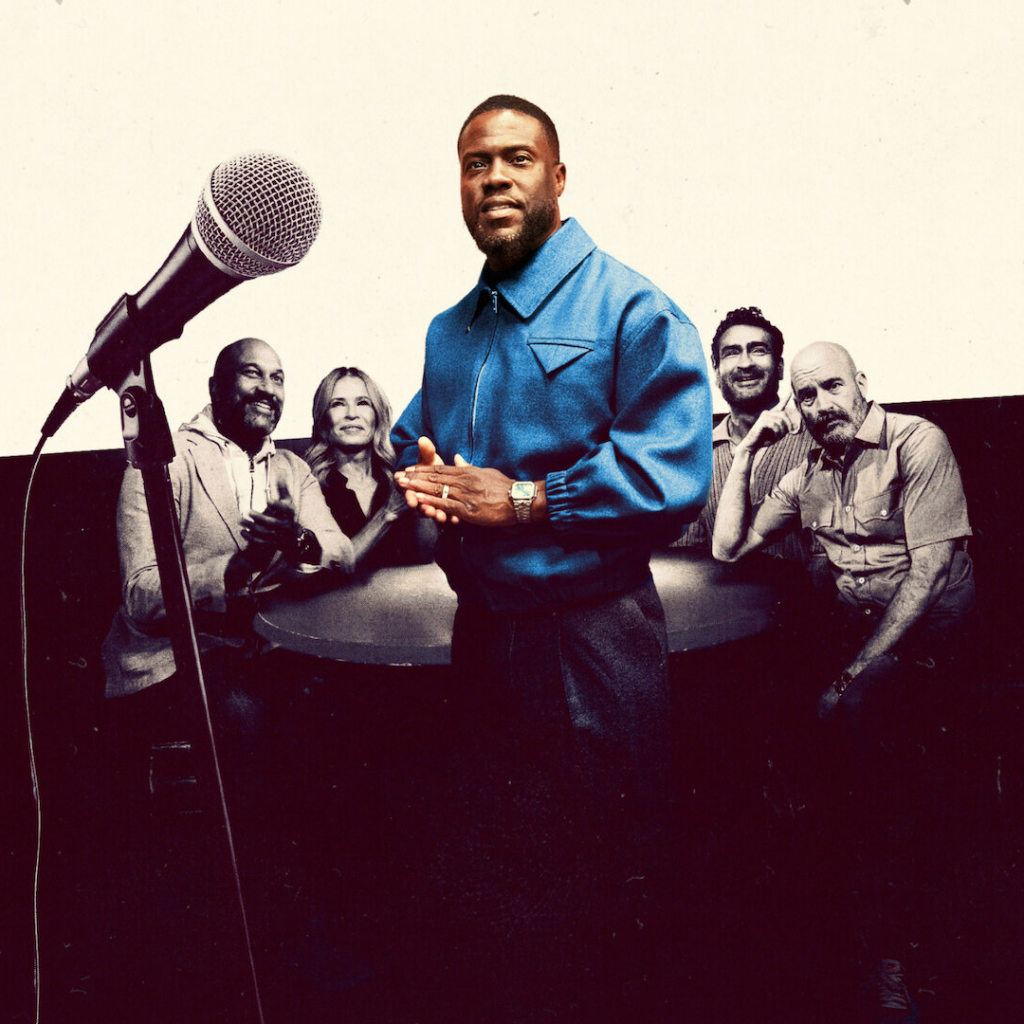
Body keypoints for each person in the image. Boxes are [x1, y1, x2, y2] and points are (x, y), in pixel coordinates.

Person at [391, 94, 712, 1018]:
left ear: (558, 177)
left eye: (516, 159)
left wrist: (527, 499)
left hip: (592, 640)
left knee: (614, 891)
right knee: (506, 887)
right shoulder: (449, 330)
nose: (493, 178)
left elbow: (672, 472)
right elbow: (418, 441)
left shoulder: (632, 306)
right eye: (475, 163)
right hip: (485, 641)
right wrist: (422, 477)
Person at [712, 341, 975, 1022]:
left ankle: (898, 961)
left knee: (888, 787)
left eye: (831, 387)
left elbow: (929, 576)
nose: (821, 404)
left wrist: (852, 675)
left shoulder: (916, 441)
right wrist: (748, 450)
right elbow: (728, 547)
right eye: (805, 395)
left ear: (861, 383)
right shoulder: (806, 471)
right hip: (855, 647)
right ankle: (837, 948)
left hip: (928, 649)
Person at [675, 306, 814, 562]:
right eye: (731, 352)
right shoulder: (696, 457)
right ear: (716, 373)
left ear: (780, 368)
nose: (746, 363)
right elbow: (688, 562)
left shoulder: (816, 440)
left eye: (758, 350)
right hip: (725, 589)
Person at [304, 366, 435, 569]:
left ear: (377, 416)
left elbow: (426, 557)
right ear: (323, 419)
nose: (351, 414)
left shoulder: (398, 474)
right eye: (338, 404)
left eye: (363, 402)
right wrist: (387, 514)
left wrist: (423, 500)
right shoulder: (308, 485)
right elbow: (322, 570)